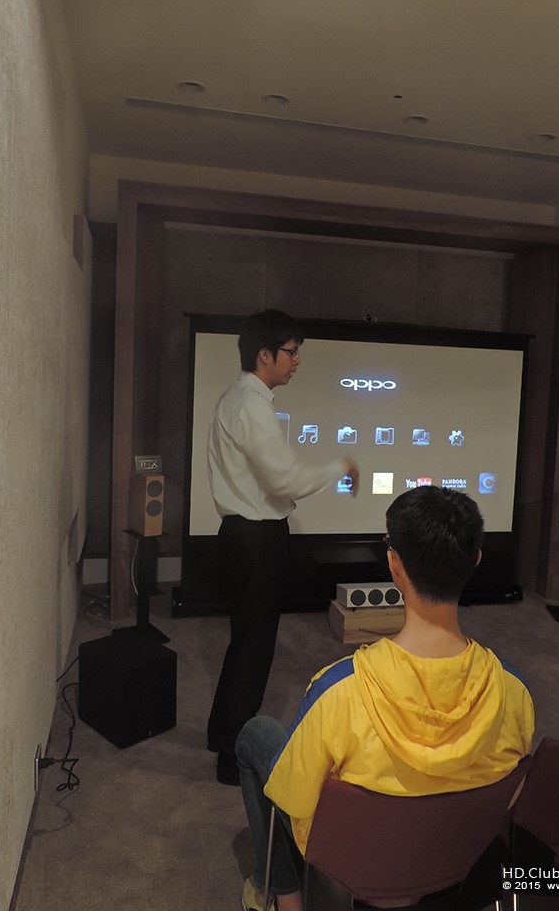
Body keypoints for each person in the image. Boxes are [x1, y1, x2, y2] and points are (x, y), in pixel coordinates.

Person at [235, 485, 535, 911]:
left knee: (254, 735)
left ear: (395, 565)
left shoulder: (336, 690)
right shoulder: (514, 691)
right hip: (455, 863)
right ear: (475, 560)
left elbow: (296, 801)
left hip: (354, 867)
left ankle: (287, 898)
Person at [207, 309, 359, 786]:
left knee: (244, 643)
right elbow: (284, 479)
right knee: (254, 652)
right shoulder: (252, 405)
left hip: (242, 535)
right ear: (264, 355)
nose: (297, 361)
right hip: (256, 538)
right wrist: (339, 467)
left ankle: (220, 734)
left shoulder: (240, 398)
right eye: (291, 352)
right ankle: (233, 759)